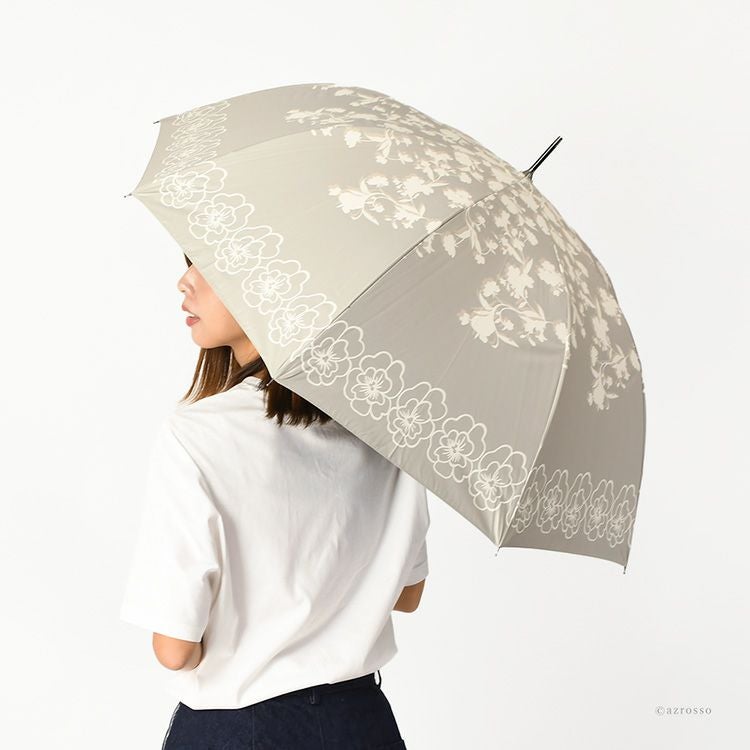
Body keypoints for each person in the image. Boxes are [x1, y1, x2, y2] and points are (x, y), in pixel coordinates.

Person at [119, 255, 430, 749]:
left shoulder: (198, 434)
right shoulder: (388, 428)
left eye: (206, 266)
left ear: (274, 284)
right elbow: (406, 595)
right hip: (362, 724)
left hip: (244, 728)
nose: (185, 282)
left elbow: (175, 650)